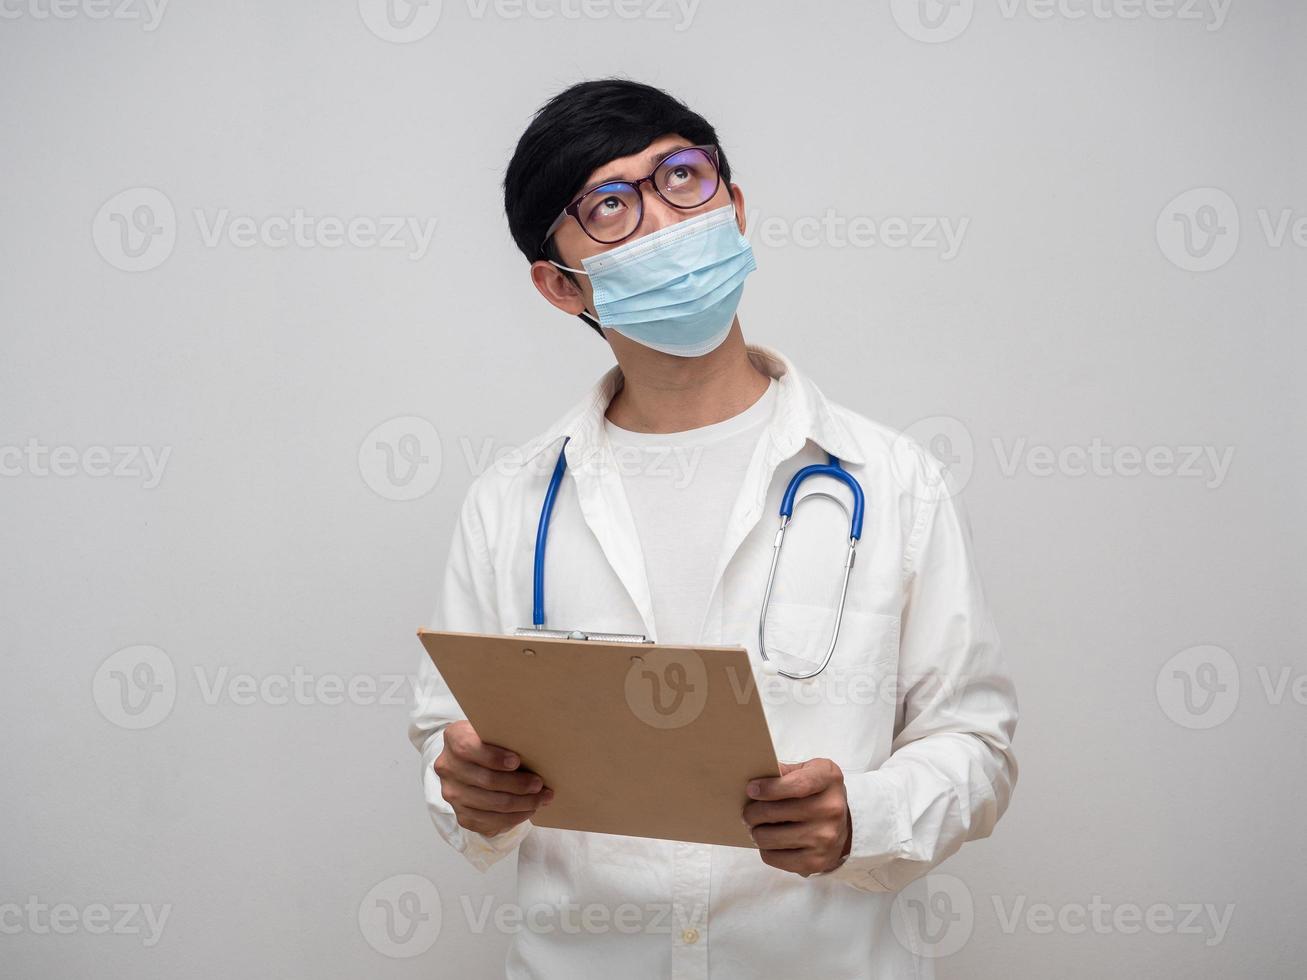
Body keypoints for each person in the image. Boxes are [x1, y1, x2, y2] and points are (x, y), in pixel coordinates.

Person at [408, 77, 1019, 979]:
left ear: (733, 206)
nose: (665, 220)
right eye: (610, 205)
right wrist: (464, 789)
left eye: (682, 178)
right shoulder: (512, 500)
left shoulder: (891, 481)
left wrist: (866, 816)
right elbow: (446, 734)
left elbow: (975, 742)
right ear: (559, 284)